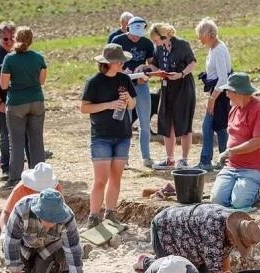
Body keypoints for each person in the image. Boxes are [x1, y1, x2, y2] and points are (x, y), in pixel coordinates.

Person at [135, 204, 260, 273]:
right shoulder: (213, 229)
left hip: (190, 241)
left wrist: (226, 272)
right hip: (166, 229)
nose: (236, 244)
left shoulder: (234, 226)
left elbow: (224, 251)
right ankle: (146, 261)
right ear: (232, 233)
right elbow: (215, 270)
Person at [79, 44, 137, 228]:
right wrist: (109, 104)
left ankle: (110, 213)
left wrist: (128, 99)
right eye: (119, 61)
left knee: (116, 177)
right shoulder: (94, 82)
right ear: (109, 63)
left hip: (122, 135)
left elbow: (132, 105)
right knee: (100, 179)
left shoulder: (125, 79)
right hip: (101, 136)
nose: (122, 63)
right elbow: (84, 107)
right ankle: (94, 216)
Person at [3, 189, 84, 273]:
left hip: (51, 248)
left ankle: (62, 264)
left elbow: (73, 249)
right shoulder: (21, 209)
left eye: (55, 218)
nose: (51, 223)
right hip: (27, 246)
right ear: (38, 212)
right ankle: (34, 265)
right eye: (47, 218)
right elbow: (11, 242)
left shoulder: (68, 217)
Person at [211, 73, 260, 209]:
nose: (226, 95)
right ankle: (241, 189)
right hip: (231, 166)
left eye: (228, 91)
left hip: (252, 168)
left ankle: (258, 191)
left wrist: (230, 151)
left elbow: (257, 142)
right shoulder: (234, 109)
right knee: (217, 202)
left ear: (238, 93)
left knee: (239, 204)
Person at [0, 26, 48, 189]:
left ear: (15, 39)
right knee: (36, 141)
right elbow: (41, 81)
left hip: (16, 103)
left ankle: (14, 179)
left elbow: (3, 84)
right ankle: (40, 176)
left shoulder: (10, 59)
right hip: (36, 101)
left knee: (17, 142)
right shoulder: (39, 58)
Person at [145, 23, 197, 169]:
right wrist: (148, 69)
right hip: (167, 87)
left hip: (183, 87)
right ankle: (170, 159)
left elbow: (192, 63)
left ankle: (184, 159)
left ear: (164, 36)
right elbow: (156, 65)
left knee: (184, 122)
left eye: (156, 40)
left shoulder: (181, 45)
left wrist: (181, 74)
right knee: (167, 122)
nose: (155, 43)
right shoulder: (159, 49)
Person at [0, 21, 31, 181]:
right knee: (6, 136)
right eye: (6, 39)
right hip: (4, 103)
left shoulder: (22, 54)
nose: (10, 42)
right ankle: (6, 169)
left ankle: (29, 169)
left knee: (27, 136)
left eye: (13, 38)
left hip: (22, 102)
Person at [112, 16, 155, 168]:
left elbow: (152, 65)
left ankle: (146, 157)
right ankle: (124, 158)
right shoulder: (118, 41)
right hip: (123, 86)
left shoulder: (147, 43)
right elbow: (109, 63)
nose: (136, 38)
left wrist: (145, 70)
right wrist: (122, 70)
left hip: (140, 84)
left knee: (145, 121)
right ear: (128, 29)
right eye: (133, 34)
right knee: (125, 123)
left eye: (139, 35)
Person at [194, 17, 232, 171]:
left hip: (221, 94)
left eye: (200, 36)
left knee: (208, 126)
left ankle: (206, 160)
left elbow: (223, 78)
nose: (199, 40)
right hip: (216, 91)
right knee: (220, 127)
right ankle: (226, 159)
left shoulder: (219, 50)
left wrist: (212, 99)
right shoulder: (213, 48)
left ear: (209, 34)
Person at [0, 162, 63, 231]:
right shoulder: (21, 189)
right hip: (24, 228)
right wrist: (4, 232)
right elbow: (6, 213)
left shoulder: (56, 188)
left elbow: (62, 214)